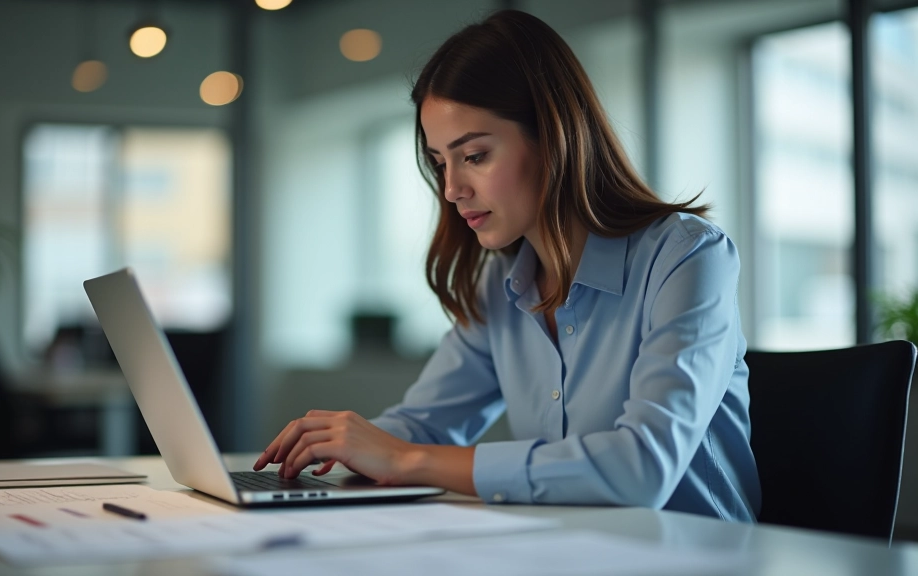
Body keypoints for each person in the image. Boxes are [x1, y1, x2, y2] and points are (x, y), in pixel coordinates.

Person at [254, 9, 761, 522]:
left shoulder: (688, 257)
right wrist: (340, 442)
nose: (451, 189)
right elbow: (425, 427)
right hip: (567, 553)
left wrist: (405, 459)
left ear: (554, 135)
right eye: (439, 162)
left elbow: (642, 468)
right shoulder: (501, 280)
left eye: (473, 155)